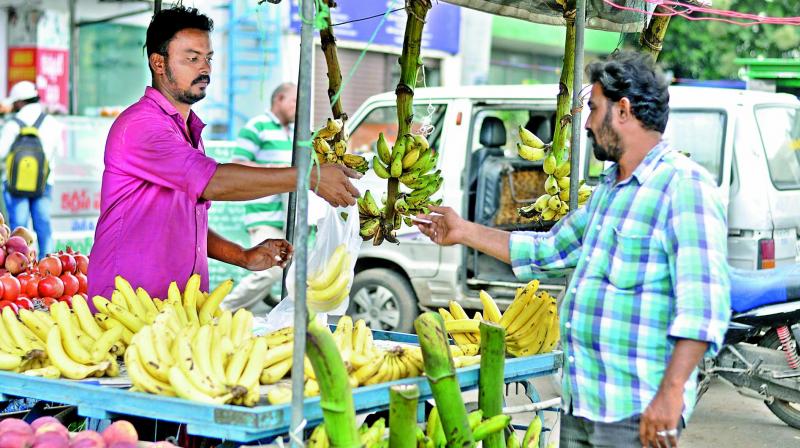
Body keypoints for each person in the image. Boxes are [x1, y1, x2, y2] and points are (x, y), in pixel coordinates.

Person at [414, 52, 730, 448]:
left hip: (635, 410)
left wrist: (671, 394)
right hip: (582, 402)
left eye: (594, 109)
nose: (587, 123)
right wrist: (461, 231)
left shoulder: (684, 188)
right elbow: (547, 250)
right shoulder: (609, 191)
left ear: (623, 111)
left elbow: (704, 310)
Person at [87, 6, 360, 301]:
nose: (204, 68)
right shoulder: (141, 126)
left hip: (179, 309)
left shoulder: (186, 130)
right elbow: (213, 181)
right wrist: (308, 177)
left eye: (208, 58)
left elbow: (183, 224)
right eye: (192, 58)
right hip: (125, 306)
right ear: (158, 63)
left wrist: (241, 256)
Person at [221, 83, 297, 312]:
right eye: (294, 102)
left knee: (286, 269)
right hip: (263, 213)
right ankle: (220, 311)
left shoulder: (294, 132)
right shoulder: (257, 126)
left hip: (288, 216)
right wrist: (276, 170)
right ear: (280, 99)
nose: (298, 108)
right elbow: (236, 164)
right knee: (269, 270)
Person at [0, 81, 63, 257]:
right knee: (43, 226)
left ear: (19, 102)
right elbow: (59, 153)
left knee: (19, 231)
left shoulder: (13, 124)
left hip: (15, 185)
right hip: (43, 183)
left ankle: (20, 271)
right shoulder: (52, 123)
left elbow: (1, 152)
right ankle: (48, 266)